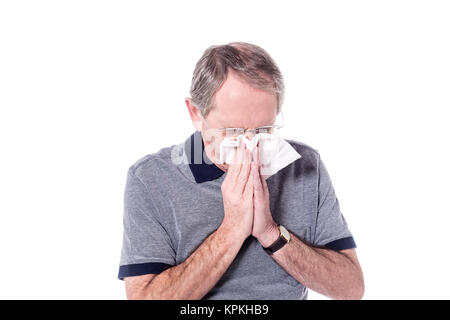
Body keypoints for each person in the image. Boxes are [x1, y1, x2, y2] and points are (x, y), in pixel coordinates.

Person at [117, 42, 364, 300]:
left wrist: (271, 233)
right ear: (195, 114)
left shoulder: (304, 166)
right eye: (233, 132)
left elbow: (351, 289)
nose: (249, 146)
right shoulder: (150, 178)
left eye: (263, 131)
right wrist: (232, 229)